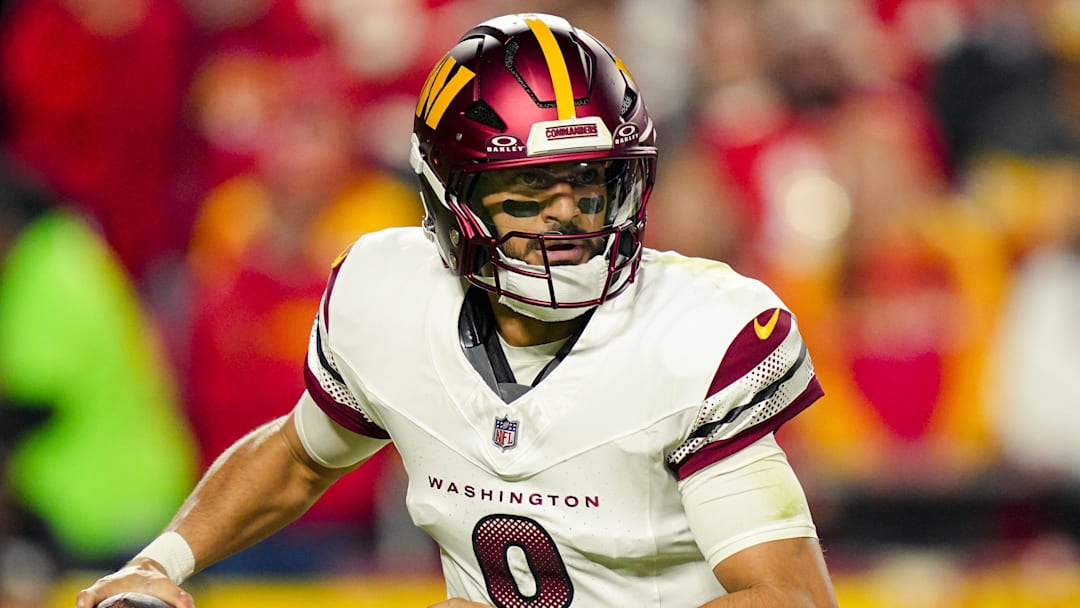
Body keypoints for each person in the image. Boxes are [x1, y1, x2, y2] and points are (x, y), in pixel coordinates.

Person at [76, 13, 838, 608]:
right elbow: (297, 456)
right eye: (529, 194)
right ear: (452, 200)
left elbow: (790, 596)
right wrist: (157, 564)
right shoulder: (389, 294)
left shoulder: (693, 334)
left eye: (588, 184)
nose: (566, 218)